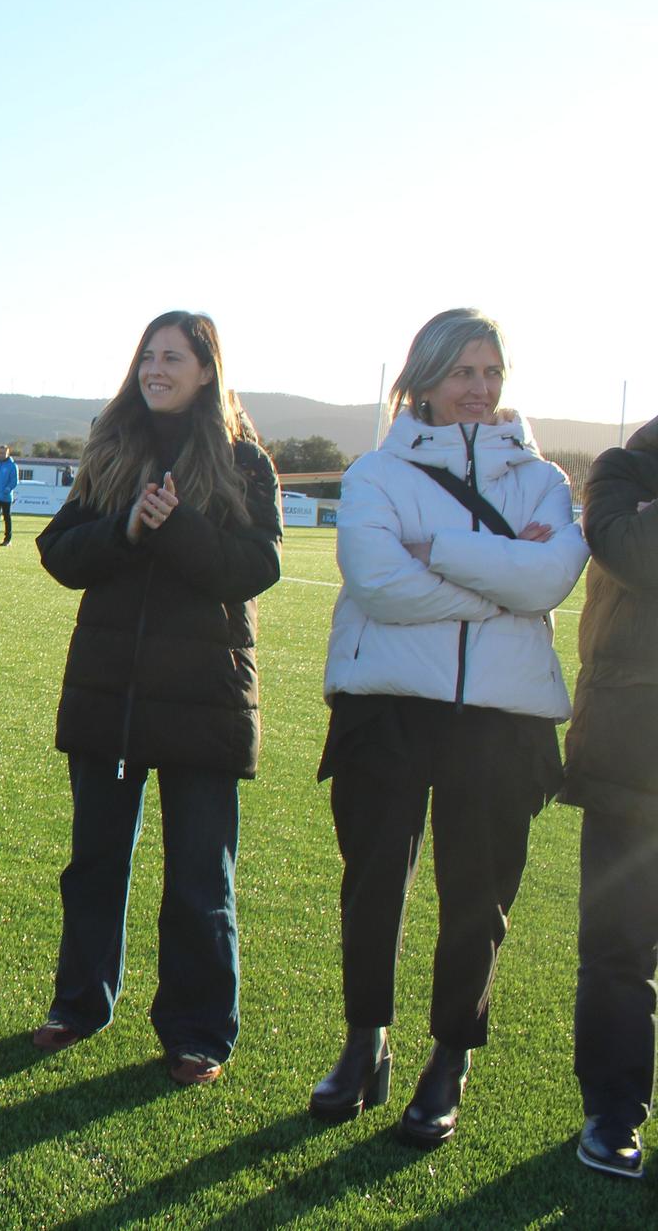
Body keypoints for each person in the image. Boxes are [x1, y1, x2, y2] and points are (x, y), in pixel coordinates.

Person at [311, 308, 586, 1147]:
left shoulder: (542, 480)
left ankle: (450, 1058)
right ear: (424, 377)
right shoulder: (374, 473)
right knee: (372, 888)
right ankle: (365, 1040)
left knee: (478, 899)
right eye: (463, 371)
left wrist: (444, 550)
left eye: (492, 371)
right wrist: (502, 580)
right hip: (386, 708)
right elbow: (379, 582)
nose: (480, 387)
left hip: (502, 721)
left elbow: (551, 580)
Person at [32, 311, 281, 1088]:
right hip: (110, 697)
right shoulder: (112, 448)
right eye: (148, 355)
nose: (155, 368)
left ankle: (198, 1030)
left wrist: (175, 528)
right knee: (95, 864)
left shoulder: (244, 461)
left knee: (201, 878)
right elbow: (58, 551)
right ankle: (80, 1002)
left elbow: (256, 567)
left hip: (205, 700)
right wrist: (128, 530)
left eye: (173, 356)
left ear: (207, 370)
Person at [557, 416, 658, 1179]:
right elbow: (636, 551)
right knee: (620, 948)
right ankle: (614, 1110)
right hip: (632, 756)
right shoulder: (623, 471)